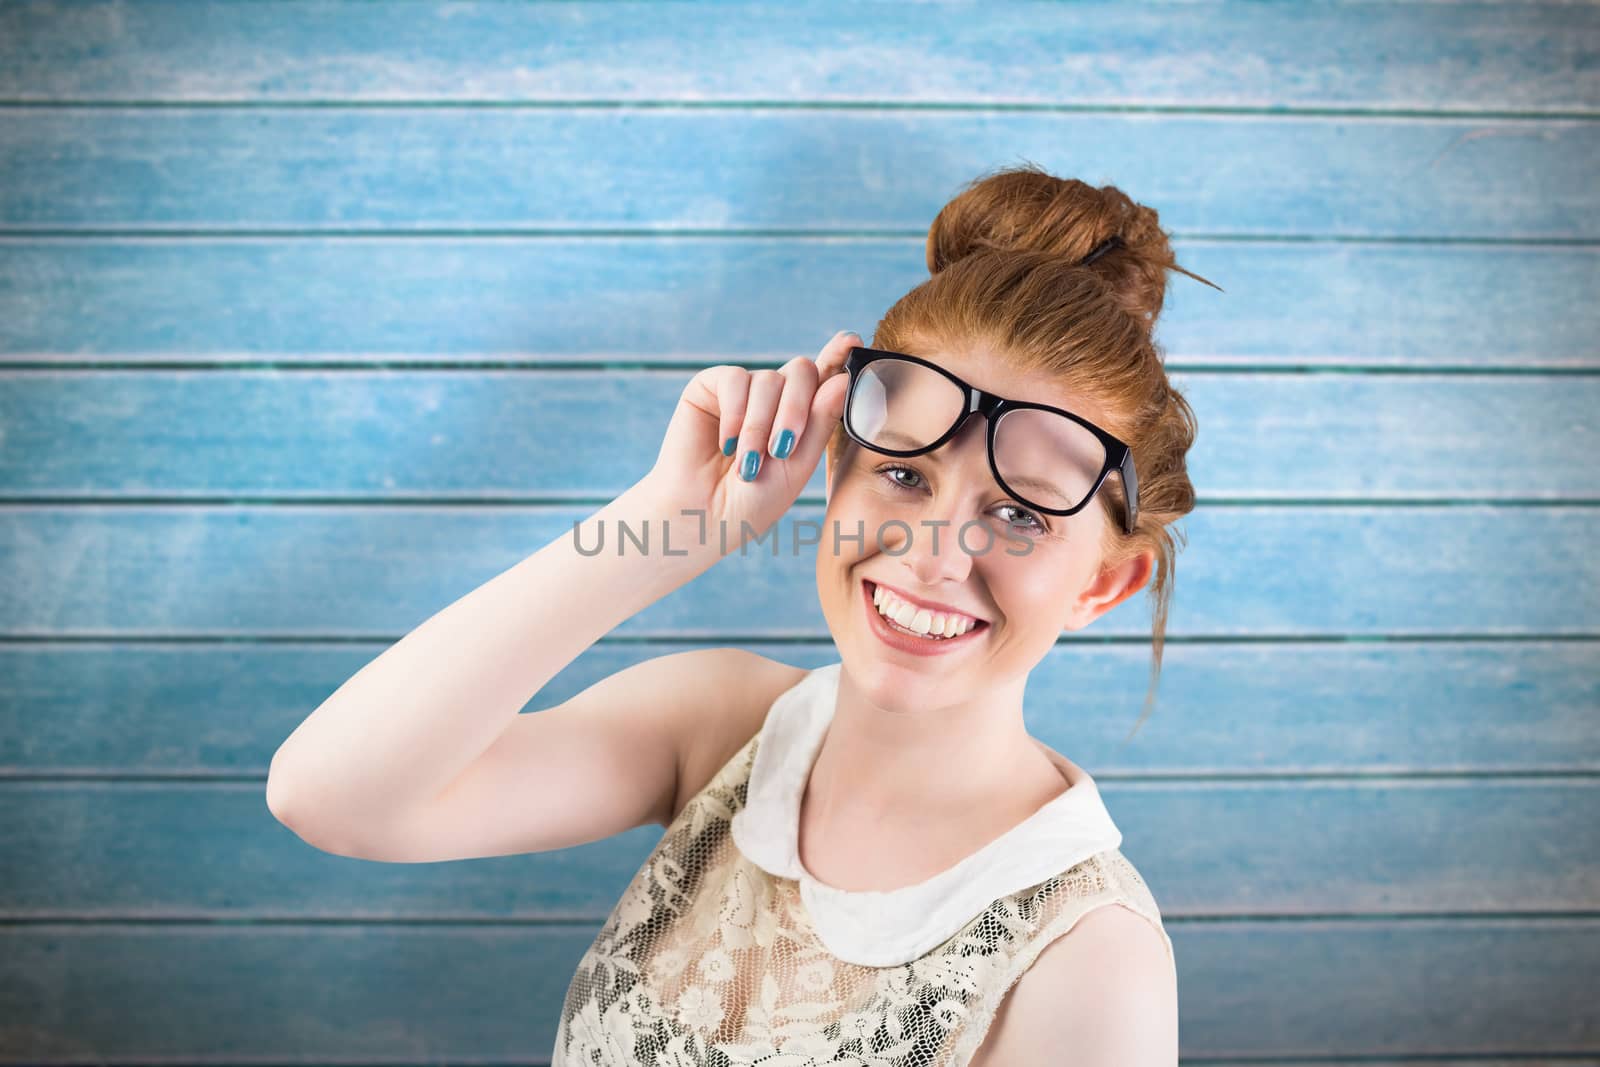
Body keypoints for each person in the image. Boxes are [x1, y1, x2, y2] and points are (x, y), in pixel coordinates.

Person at [265, 163, 1219, 1066]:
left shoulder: (1090, 956)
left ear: (1103, 584)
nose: (933, 552)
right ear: (833, 471)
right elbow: (331, 795)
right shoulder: (722, 726)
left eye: (1016, 513)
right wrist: (662, 529)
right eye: (901, 473)